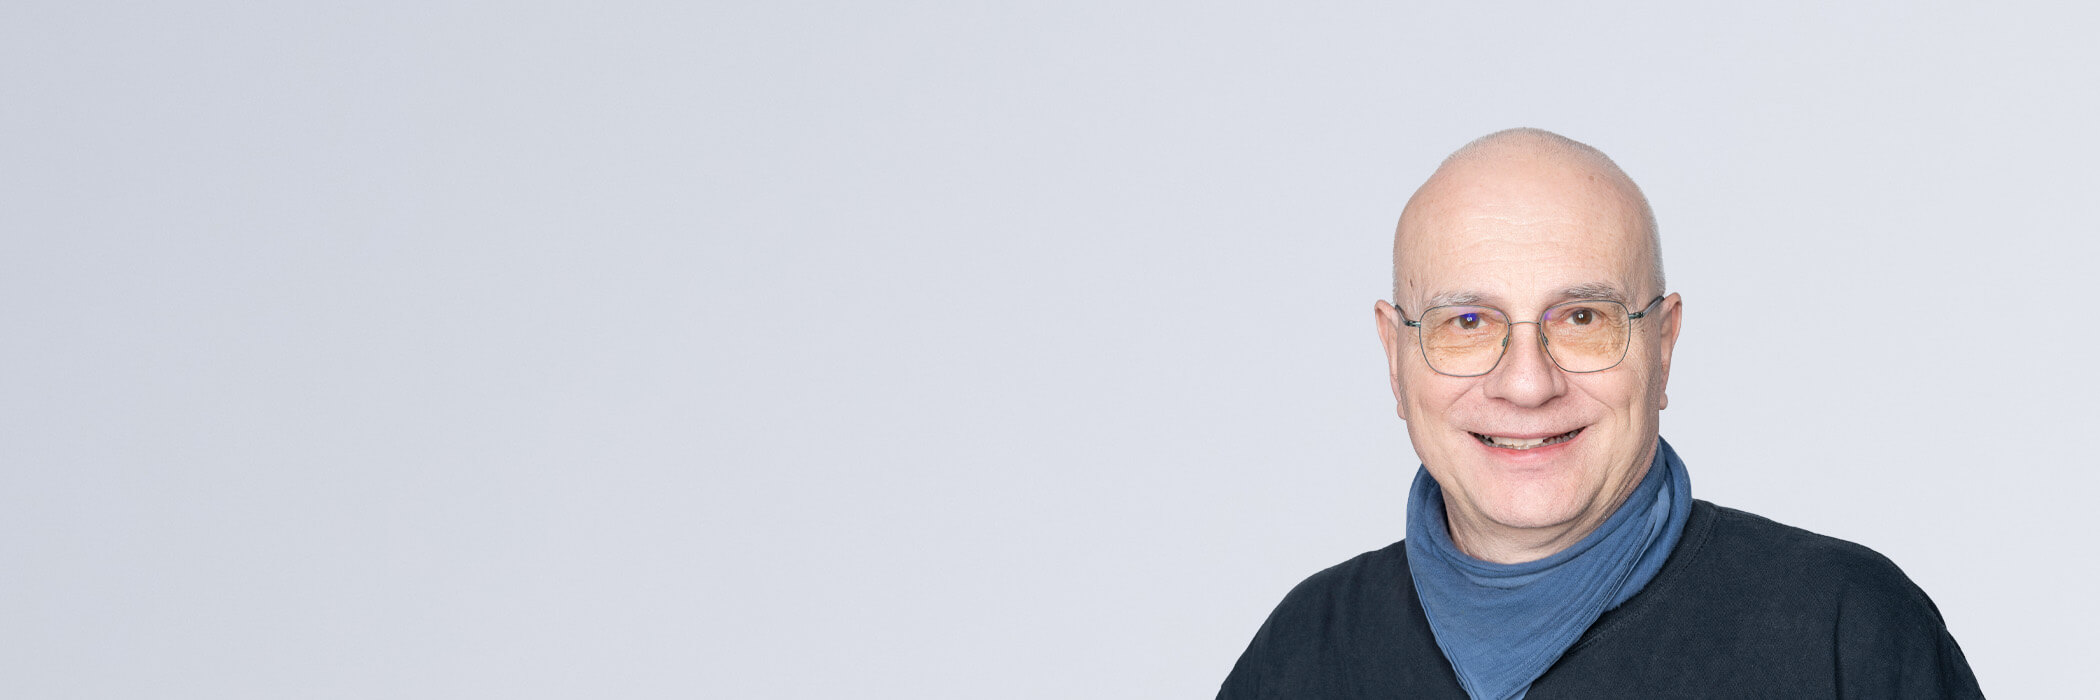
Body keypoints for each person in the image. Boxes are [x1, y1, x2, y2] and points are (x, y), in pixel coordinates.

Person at [1217, 128, 1981, 699]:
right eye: (1468, 322)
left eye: (1583, 318)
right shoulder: (1302, 657)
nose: (1526, 383)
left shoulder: (1843, 630)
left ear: (1663, 345)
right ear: (1395, 355)